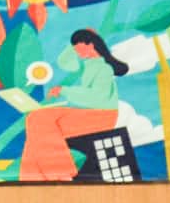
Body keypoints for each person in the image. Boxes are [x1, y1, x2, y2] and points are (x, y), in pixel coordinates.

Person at [20, 28, 128, 181]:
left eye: (79, 48)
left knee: (38, 119)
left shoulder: (104, 68)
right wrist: (75, 41)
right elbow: (64, 62)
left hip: (102, 116)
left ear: (91, 45)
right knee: (36, 124)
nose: (77, 52)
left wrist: (64, 90)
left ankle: (61, 173)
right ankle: (32, 178)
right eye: (75, 49)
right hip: (87, 113)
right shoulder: (87, 64)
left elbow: (98, 97)